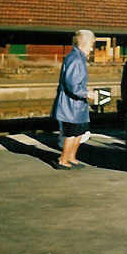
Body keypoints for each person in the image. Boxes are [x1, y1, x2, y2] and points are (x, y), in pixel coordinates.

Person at [51, 29, 96, 170]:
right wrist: (87, 93)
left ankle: (71, 157)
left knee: (78, 131)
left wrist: (86, 92)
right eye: (91, 45)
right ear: (85, 43)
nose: (92, 48)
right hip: (71, 106)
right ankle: (63, 159)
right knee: (72, 132)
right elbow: (72, 85)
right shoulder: (76, 59)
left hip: (76, 105)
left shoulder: (78, 58)